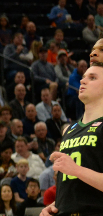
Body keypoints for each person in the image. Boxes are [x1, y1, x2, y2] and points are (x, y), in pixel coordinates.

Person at [41, 39, 103, 216]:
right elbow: (75, 188)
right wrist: (54, 204)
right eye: (83, 77)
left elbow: (76, 172)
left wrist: (76, 169)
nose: (83, 81)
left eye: (92, 78)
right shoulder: (71, 128)